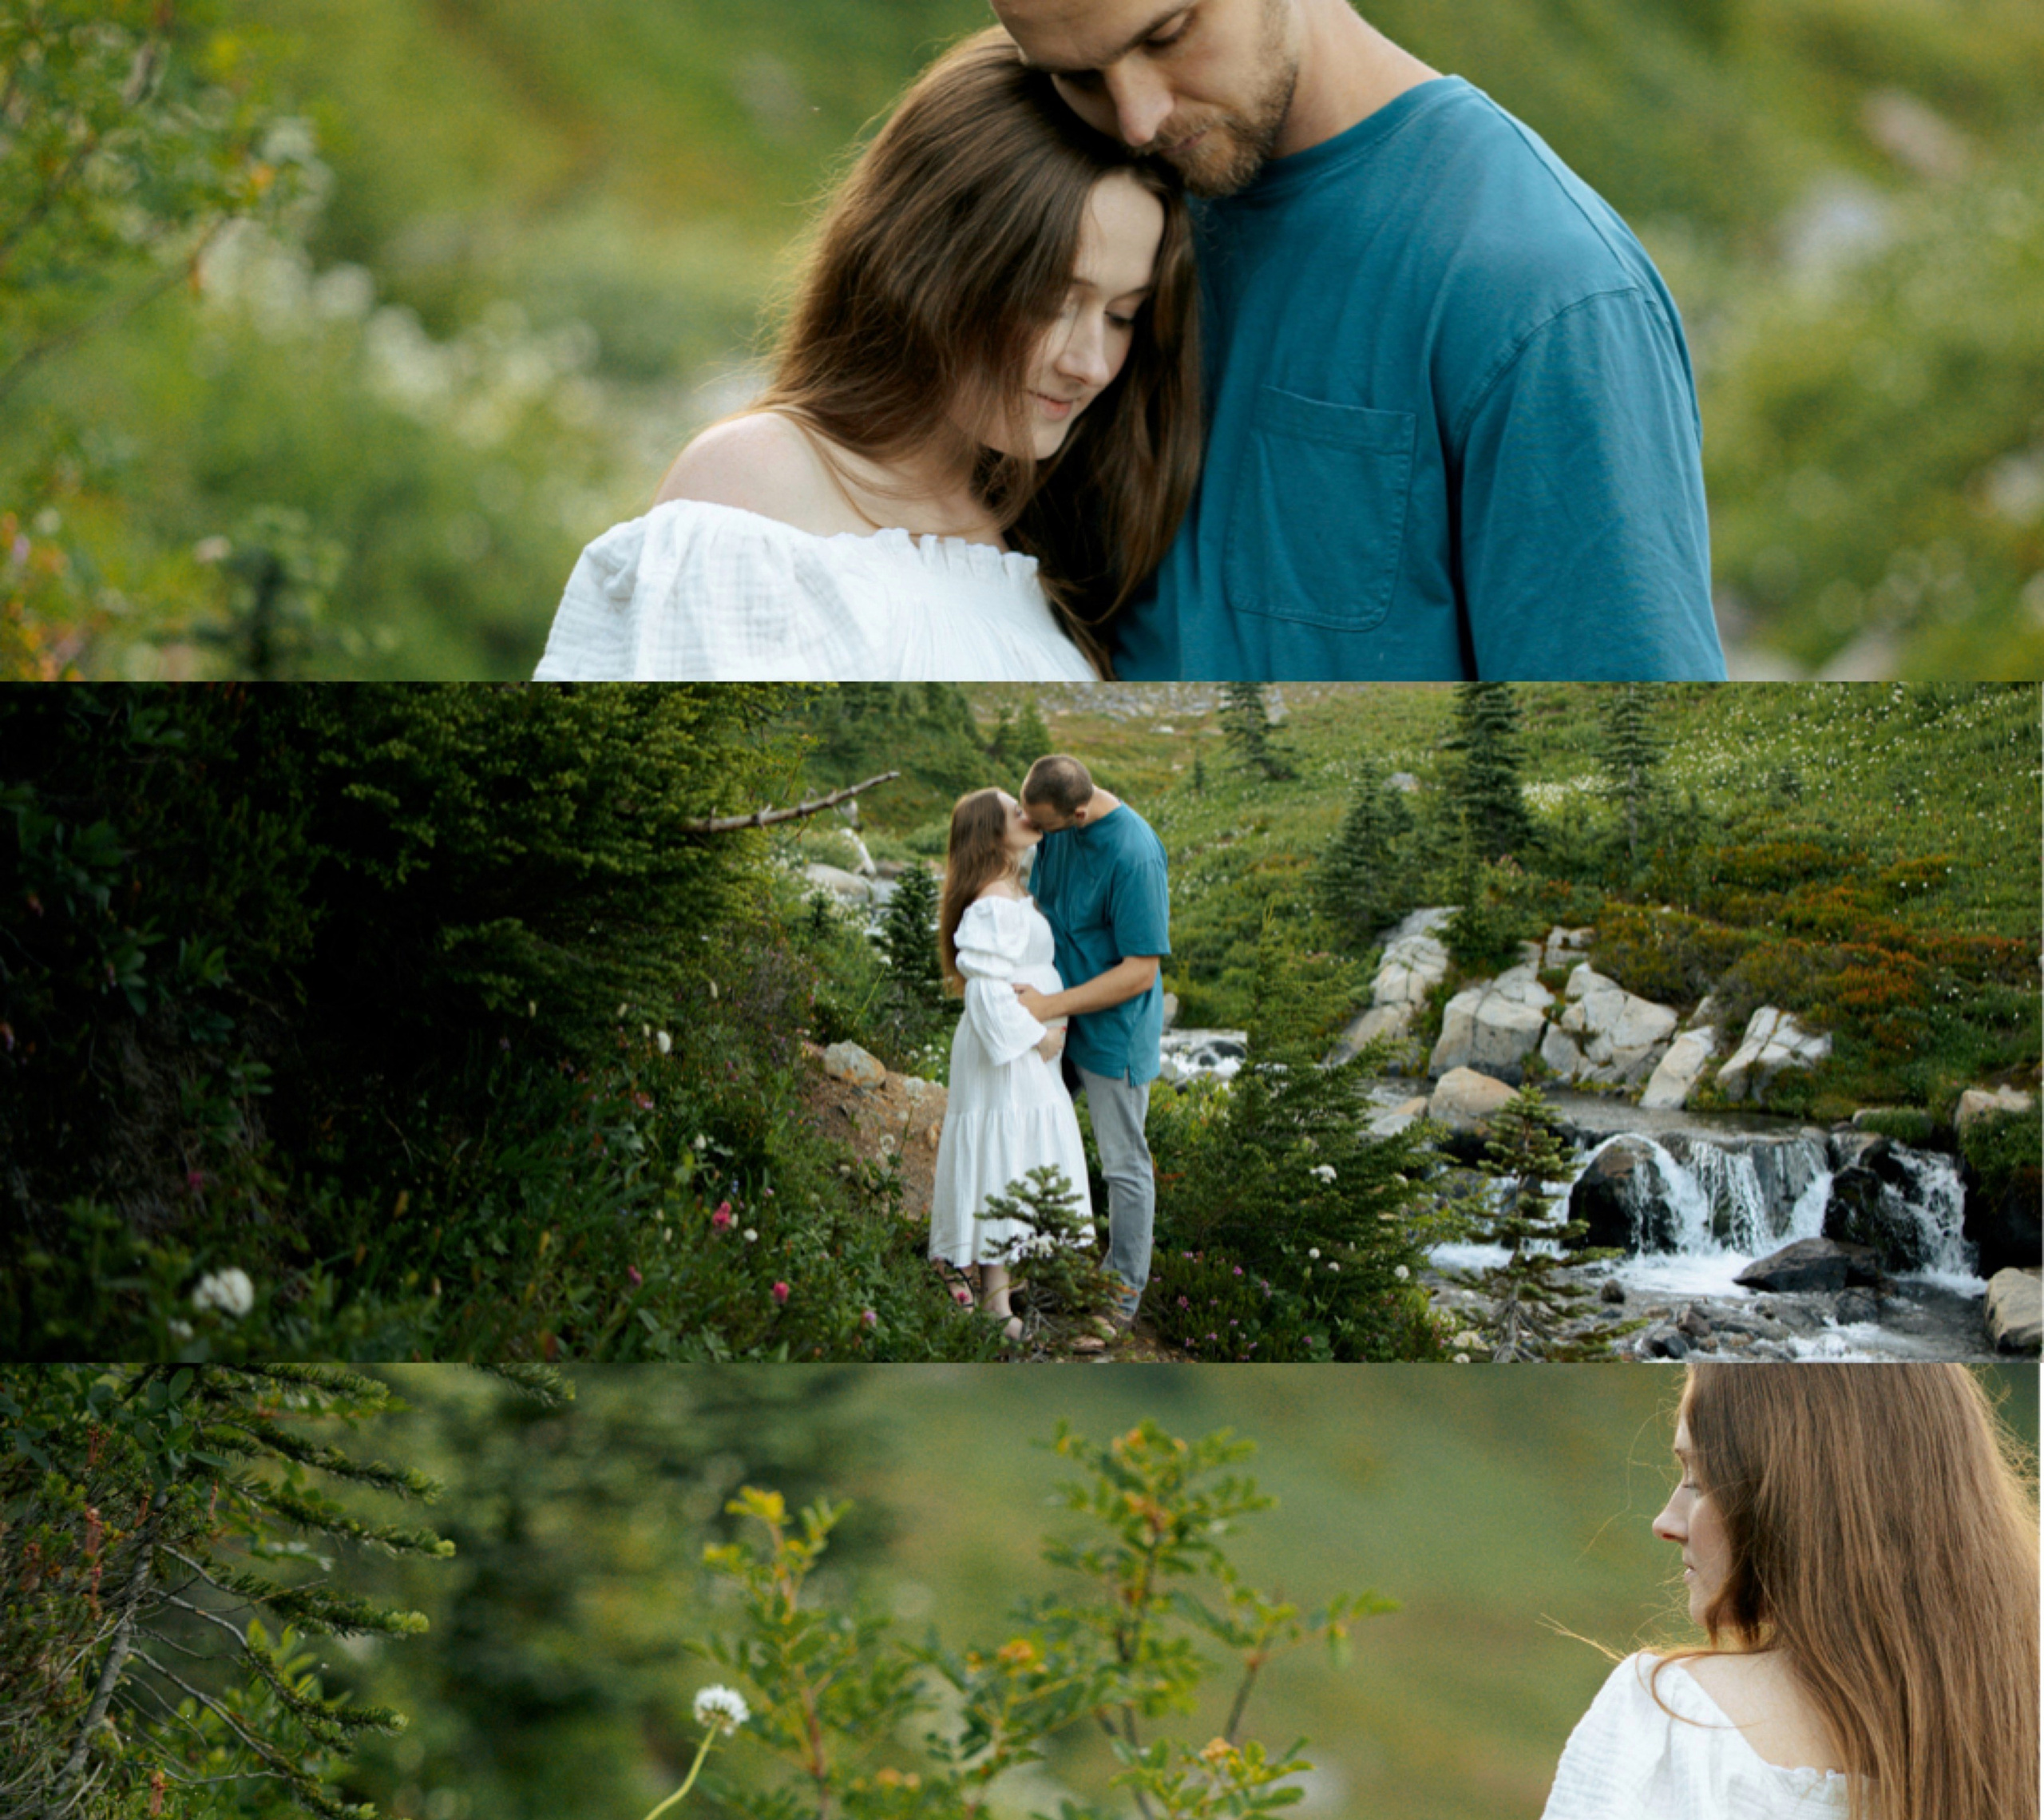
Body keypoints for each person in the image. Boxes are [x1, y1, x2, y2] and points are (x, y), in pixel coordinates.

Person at [988, 0, 1728, 681]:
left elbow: (1631, 768)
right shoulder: (1094, 203)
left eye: (1167, 34)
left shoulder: (1546, 293)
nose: (1138, 120)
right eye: (1077, 76)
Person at [535, 29, 1201, 682]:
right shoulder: (756, 485)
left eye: (1122, 317)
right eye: (1050, 302)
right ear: (931, 269)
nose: (1090, 364)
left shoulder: (1051, 530)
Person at [1517, 1363, 2038, 1820]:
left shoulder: (1681, 1723)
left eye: (1698, 1480)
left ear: (1793, 1494)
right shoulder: (2022, 1750)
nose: (1667, 1521)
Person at [927, 788, 1095, 1344]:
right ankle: (996, 1309)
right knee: (1002, 1158)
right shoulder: (993, 901)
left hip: (1025, 1052)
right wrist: (1038, 1036)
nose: (1027, 816)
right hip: (1010, 1052)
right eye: (1013, 812)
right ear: (991, 834)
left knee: (1014, 1158)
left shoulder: (1012, 889)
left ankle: (998, 1298)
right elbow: (984, 991)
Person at [1012, 754, 1169, 1330]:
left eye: (1043, 827)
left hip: (1111, 1033)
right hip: (1056, 1020)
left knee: (1124, 1166)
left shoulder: (1134, 854)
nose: (1036, 835)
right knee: (1033, 1136)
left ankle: (1120, 1295)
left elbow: (1140, 972)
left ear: (1077, 813)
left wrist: (1051, 1007)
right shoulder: (1055, 825)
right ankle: (1037, 1268)